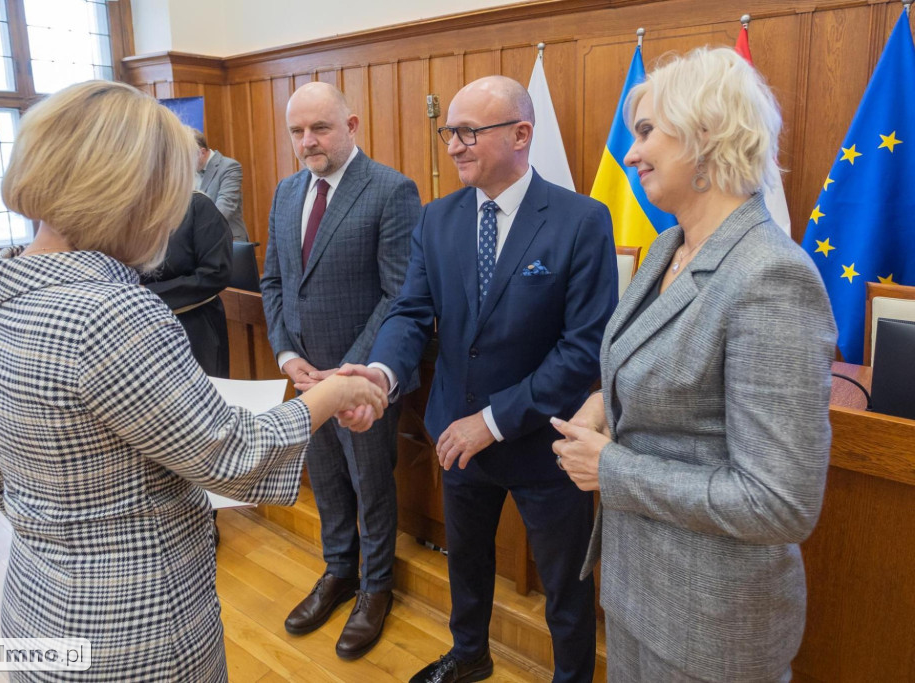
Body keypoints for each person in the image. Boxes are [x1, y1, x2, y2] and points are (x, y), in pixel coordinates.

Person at [0, 80, 387, 682]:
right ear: (133, 191)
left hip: (35, 604)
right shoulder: (112, 312)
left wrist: (64, 535)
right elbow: (232, 457)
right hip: (138, 627)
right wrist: (330, 395)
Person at [551, 47, 837, 682]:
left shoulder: (771, 276)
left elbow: (780, 503)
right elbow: (651, 360)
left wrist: (612, 469)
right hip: (635, 593)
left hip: (712, 627)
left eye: (648, 131)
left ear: (706, 133)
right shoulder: (666, 247)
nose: (630, 153)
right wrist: (604, 402)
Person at [344, 75, 618, 683]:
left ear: (522, 135)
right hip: (455, 435)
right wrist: (382, 374)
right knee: (465, 564)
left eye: (469, 131)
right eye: (449, 132)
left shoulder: (580, 220)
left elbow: (584, 349)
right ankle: (469, 657)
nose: (454, 146)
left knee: (564, 586)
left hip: (545, 443)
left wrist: (492, 422)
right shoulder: (437, 219)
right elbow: (411, 312)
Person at [260, 80, 421, 660]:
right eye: (297, 131)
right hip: (304, 377)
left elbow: (398, 293)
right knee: (326, 481)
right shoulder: (285, 193)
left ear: (351, 125)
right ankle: (338, 572)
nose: (307, 141)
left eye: (320, 128)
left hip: (359, 381)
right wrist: (286, 355)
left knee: (370, 485)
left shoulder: (391, 190)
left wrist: (346, 375)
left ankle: (376, 587)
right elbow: (273, 282)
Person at [141, 189, 234, 378]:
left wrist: (147, 294)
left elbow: (215, 272)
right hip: (141, 327)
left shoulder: (197, 206)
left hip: (194, 326)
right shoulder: (125, 210)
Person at [194, 130, 249, 243]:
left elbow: (224, 207)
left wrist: (195, 231)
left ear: (202, 153)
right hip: (201, 244)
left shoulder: (229, 167)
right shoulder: (189, 172)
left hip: (228, 240)